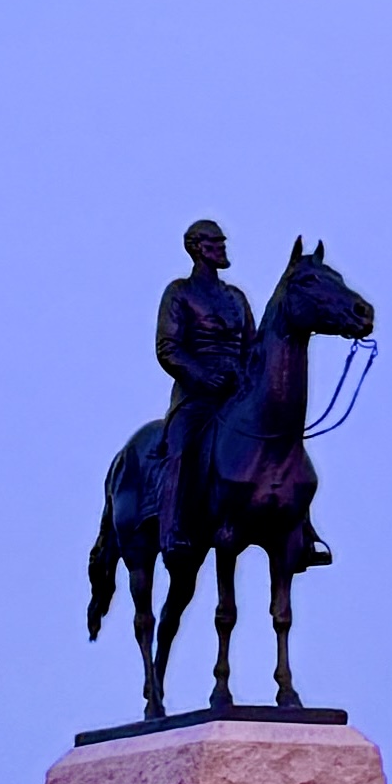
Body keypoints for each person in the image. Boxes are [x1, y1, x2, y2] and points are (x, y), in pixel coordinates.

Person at [152, 218, 256, 562]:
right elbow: (168, 346)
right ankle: (172, 529)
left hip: (236, 394)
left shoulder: (236, 297)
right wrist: (201, 375)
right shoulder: (180, 292)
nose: (222, 247)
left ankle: (301, 530)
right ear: (197, 247)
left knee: (279, 438)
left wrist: (249, 377)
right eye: (214, 242)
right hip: (196, 396)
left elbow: (252, 347)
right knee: (181, 450)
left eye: (222, 241)